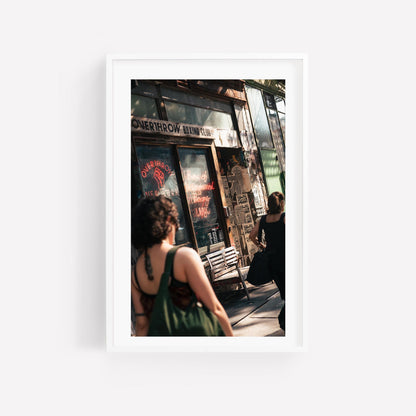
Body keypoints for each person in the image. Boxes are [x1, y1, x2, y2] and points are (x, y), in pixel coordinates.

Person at [131, 195, 233, 336]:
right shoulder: (184, 257)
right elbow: (215, 308)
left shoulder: (135, 273)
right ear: (168, 221)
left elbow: (142, 324)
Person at [249, 192, 286, 332]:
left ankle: (287, 319)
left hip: (272, 262)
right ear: (281, 203)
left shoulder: (263, 219)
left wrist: (261, 246)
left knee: (284, 290)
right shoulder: (284, 217)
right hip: (286, 258)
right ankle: (285, 320)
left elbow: (252, 235)